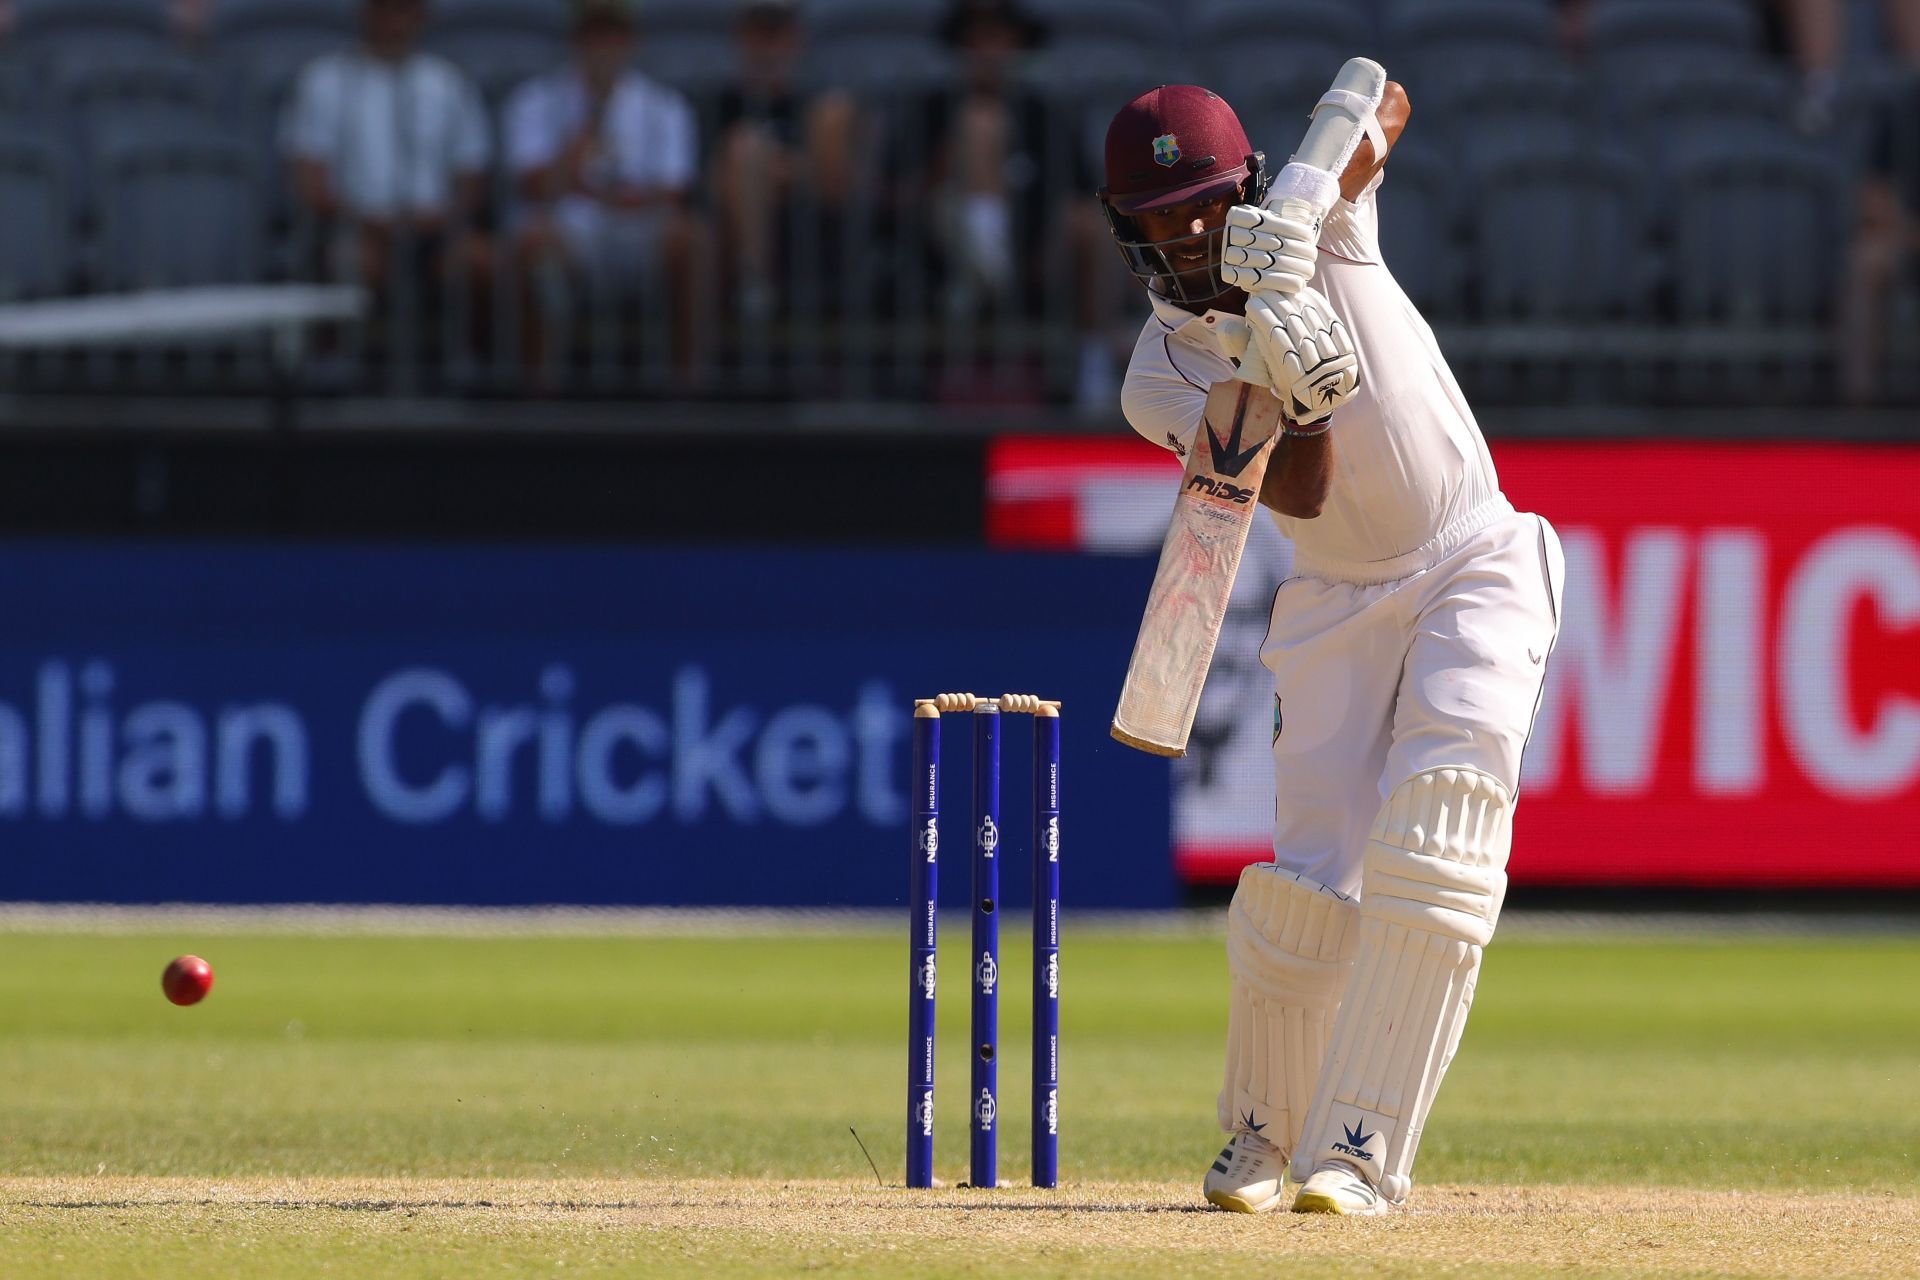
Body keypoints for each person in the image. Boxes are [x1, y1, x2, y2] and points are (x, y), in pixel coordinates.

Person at [1099, 82, 1564, 1215]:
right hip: (1332, 597)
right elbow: (1297, 489)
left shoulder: (1318, 217)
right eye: (1159, 222)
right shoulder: (1158, 376)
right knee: (1305, 887)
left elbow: (1382, 96)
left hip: (1473, 556)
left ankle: (1359, 1149)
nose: (1186, 239)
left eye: (1201, 210)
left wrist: (1302, 221)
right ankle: (1265, 1134)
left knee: (1440, 833)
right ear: (1129, 233)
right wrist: (1284, 374)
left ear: (1243, 187)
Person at [505, 0, 706, 383]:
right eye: (593, 34)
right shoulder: (535, 100)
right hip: (570, 228)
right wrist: (579, 143)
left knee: (692, 240)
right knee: (535, 243)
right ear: (575, 40)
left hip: (639, 230)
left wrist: (603, 194)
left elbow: (672, 191)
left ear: (632, 40)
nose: (603, 46)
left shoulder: (664, 106)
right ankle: (539, 397)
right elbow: (532, 185)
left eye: (613, 34)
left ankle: (688, 393)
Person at [283, 0, 493, 361]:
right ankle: (344, 373)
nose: (395, 22)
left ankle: (467, 369)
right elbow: (310, 179)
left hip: (435, 231)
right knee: (351, 262)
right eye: (386, 9)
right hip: (355, 228)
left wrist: (440, 217)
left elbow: (472, 176)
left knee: (481, 261)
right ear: (365, 13)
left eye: (405, 10)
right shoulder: (324, 80)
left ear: (421, 17)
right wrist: (368, 220)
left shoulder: (448, 82)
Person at [710, 0, 858, 325]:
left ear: (797, 39)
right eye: (759, 35)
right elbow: (708, 184)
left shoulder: (818, 106)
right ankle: (754, 284)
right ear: (740, 39)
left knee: (835, 113)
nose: (769, 48)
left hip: (814, 234)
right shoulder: (717, 105)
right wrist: (769, 170)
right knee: (745, 148)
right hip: (734, 246)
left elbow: (834, 181)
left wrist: (771, 173)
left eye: (778, 34)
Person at [1841, 81, 1919, 402]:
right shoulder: (1903, 107)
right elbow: (1873, 196)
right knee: (1865, 260)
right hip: (1905, 235)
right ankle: (1861, 400)